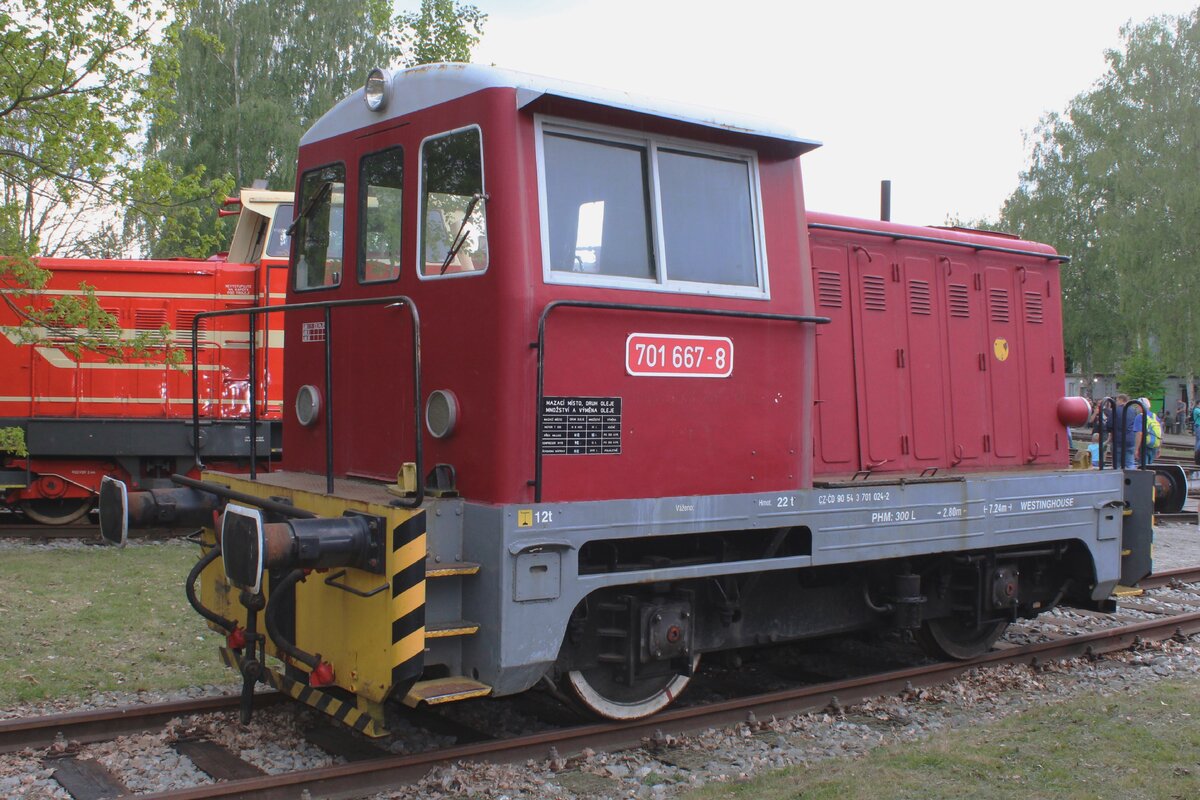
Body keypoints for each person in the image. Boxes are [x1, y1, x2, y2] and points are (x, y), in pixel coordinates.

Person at [1114, 393, 1142, 469]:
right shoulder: (1133, 410)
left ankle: (1117, 475)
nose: (1116, 402)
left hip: (1118, 440)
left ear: (1121, 400)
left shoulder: (1116, 410)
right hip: (1130, 440)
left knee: (1117, 464)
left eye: (1117, 400)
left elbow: (1109, 425)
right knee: (1130, 463)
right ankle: (1131, 474)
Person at [1140, 397, 1162, 465]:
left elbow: (1139, 433)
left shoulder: (1140, 416)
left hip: (1144, 445)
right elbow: (1160, 434)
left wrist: (1136, 448)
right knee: (1149, 465)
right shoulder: (1155, 417)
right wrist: (1159, 448)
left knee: (1143, 466)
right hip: (1154, 444)